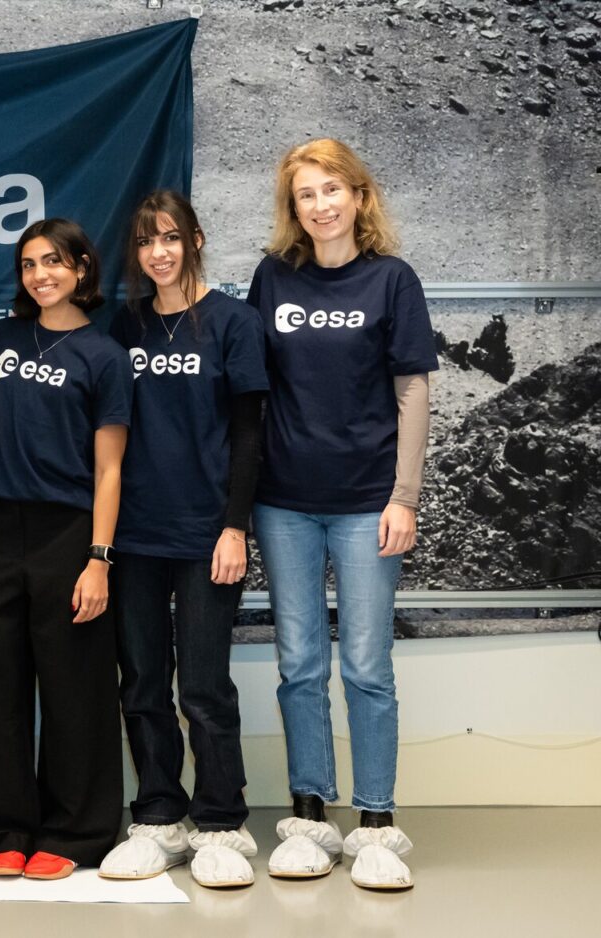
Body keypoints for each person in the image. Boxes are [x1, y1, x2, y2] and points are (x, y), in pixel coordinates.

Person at [247, 140, 436, 890]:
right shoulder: (273, 277)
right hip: (284, 502)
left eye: (331, 189)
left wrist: (404, 497)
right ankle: (309, 818)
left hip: (367, 504)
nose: (320, 205)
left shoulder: (392, 280)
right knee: (298, 664)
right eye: (306, 195)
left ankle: (377, 825)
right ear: (293, 209)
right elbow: (252, 385)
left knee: (365, 665)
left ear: (359, 196)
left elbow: (413, 391)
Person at [98, 191, 269, 888]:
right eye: (146, 242)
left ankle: (221, 821)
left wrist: (235, 526)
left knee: (202, 686)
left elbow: (250, 432)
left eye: (170, 238)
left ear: (195, 240)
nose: (158, 252)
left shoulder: (234, 322)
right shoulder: (126, 325)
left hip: (206, 534)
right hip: (136, 533)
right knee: (142, 683)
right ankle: (159, 816)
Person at [0, 219, 132, 881]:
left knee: (74, 688)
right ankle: (6, 829)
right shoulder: (2, 338)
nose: (41, 275)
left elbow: (110, 470)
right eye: (30, 264)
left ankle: (76, 832)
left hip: (69, 532)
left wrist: (99, 558)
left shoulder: (104, 355)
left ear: (82, 268)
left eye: (55, 262)